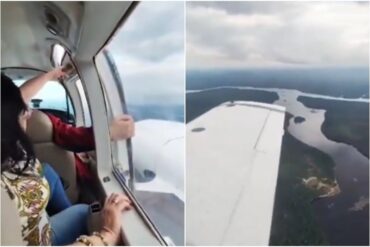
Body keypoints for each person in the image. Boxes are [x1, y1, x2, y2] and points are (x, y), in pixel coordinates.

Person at [1, 74, 132, 246]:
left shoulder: (9, 144)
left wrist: (52, 74)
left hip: (36, 229)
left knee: (49, 173)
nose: (29, 113)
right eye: (21, 109)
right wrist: (107, 234)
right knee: (84, 212)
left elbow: (16, 98)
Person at [19, 68, 135, 181]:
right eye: (24, 111)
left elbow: (19, 96)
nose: (29, 114)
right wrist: (108, 133)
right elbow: (69, 136)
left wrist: (50, 75)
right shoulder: (43, 122)